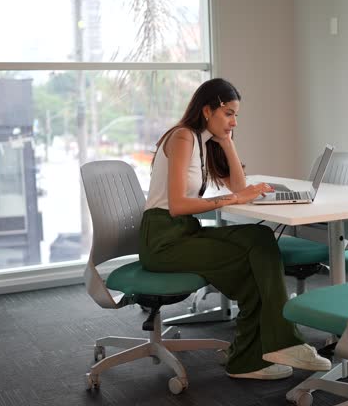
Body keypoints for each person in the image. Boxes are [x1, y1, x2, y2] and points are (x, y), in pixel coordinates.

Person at [139, 78, 331, 380]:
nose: (234, 121)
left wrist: (227, 140)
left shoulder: (203, 143)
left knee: (259, 237)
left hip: (183, 231)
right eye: (228, 113)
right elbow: (177, 204)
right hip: (163, 240)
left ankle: (258, 354)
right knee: (252, 267)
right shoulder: (182, 138)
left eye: (236, 115)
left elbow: (240, 186)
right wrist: (233, 198)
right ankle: (263, 352)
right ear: (207, 111)